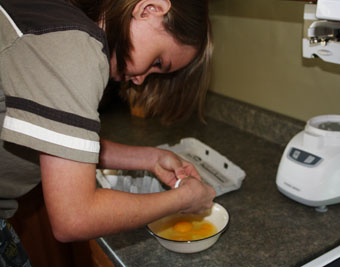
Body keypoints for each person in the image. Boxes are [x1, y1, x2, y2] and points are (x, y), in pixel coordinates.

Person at [0, 0, 215, 257]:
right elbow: (75, 217)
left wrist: (152, 158)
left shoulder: (58, 23)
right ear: (150, 9)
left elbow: (67, 145)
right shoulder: (76, 47)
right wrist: (184, 199)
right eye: (158, 61)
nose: (139, 79)